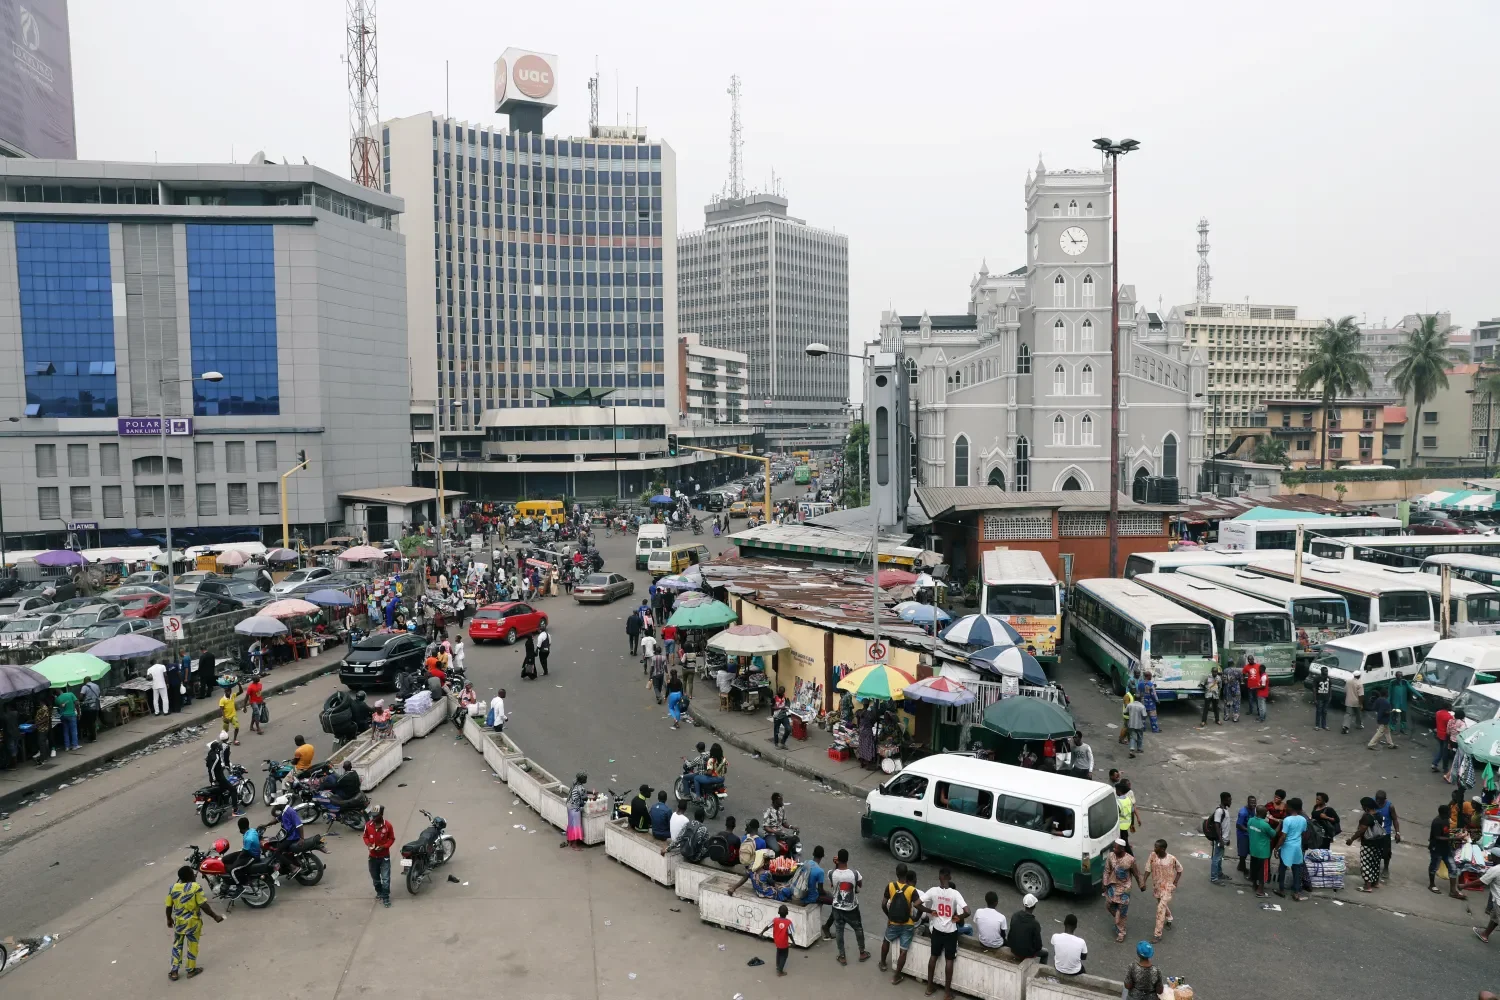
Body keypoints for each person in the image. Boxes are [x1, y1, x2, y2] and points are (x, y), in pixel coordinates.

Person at [165, 864, 223, 981]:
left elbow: (168, 906)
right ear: (190, 876)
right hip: (193, 923)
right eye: (193, 874)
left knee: (177, 945)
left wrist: (169, 919)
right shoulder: (195, 887)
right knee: (193, 945)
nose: (195, 875)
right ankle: (191, 970)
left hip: (179, 922)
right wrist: (215, 916)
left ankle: (174, 971)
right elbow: (203, 905)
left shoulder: (173, 888)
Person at [922, 866, 967, 996]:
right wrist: (957, 918)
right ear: (950, 877)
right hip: (950, 931)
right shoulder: (955, 894)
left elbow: (917, 903)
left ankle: (929, 987)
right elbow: (968, 911)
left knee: (933, 957)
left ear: (939, 878)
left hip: (937, 929)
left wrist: (930, 911)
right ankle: (947, 993)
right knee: (949, 960)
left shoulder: (933, 891)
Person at [880, 863, 925, 984]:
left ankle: (883, 963)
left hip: (893, 922)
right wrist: (915, 918)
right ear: (906, 874)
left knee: (886, 941)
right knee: (903, 950)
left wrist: (889, 916)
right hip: (907, 924)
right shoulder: (912, 890)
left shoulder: (890, 886)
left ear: (896, 873)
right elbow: (920, 907)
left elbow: (883, 904)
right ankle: (896, 977)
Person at [828, 848, 869, 966]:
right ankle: (862, 952)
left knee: (839, 930)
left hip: (836, 907)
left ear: (838, 860)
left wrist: (835, 866)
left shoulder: (832, 873)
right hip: (852, 908)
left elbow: (832, 882)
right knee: (858, 928)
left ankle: (842, 956)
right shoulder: (854, 873)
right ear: (847, 859)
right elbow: (860, 884)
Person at [1140, 839, 1183, 941]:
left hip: (1167, 888)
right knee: (1161, 903)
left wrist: (1175, 882)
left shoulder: (1171, 859)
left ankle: (1157, 935)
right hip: (1157, 886)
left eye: (1156, 847)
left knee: (1160, 908)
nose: (1154, 848)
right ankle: (1169, 917)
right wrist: (1144, 881)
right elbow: (1148, 869)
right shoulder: (1152, 856)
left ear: (1163, 849)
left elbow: (1180, 870)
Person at [1103, 839, 1139, 943]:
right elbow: (1107, 870)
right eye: (1113, 847)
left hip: (1124, 889)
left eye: (1116, 847)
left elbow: (1136, 873)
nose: (1113, 849)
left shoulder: (1130, 860)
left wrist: (1141, 884)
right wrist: (1104, 884)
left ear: (1122, 849)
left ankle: (1121, 933)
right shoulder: (1111, 856)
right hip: (1112, 887)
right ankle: (1119, 921)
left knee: (1122, 912)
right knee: (1109, 905)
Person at [1274, 797, 1309, 900]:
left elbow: (1283, 836)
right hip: (1297, 847)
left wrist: (1276, 848)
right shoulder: (1303, 819)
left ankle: (1281, 890)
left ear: (1291, 808)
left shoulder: (1287, 820)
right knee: (1296, 870)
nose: (1286, 808)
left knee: (1283, 868)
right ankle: (1296, 892)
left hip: (1287, 847)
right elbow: (1303, 833)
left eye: (1287, 806)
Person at [1347, 796, 1385, 892]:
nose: (1362, 808)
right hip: (1379, 843)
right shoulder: (1379, 815)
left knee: (1366, 864)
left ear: (1366, 806)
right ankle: (1375, 883)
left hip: (1368, 844)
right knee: (1375, 863)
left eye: (1363, 806)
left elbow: (1361, 830)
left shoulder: (1367, 816)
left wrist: (1351, 839)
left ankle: (1367, 886)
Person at [1429, 803, 1467, 899]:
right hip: (1437, 848)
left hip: (1446, 848)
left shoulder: (1446, 820)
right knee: (1434, 867)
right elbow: (1437, 837)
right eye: (1449, 812)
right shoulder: (1437, 822)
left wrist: (1457, 834)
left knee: (1453, 868)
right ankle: (1432, 884)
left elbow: (1446, 833)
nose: (1451, 813)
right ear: (1443, 813)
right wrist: (1454, 838)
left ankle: (1453, 891)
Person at [363, 803, 395, 907]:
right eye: (372, 816)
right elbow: (365, 836)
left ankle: (386, 897)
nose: (373, 818)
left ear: (381, 814)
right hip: (372, 857)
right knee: (375, 878)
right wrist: (368, 844)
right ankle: (379, 892)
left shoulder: (388, 826)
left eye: (376, 816)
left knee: (385, 878)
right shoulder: (368, 825)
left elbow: (391, 839)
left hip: (384, 857)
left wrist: (385, 846)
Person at [1372, 789, 1401, 881]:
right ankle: (1374, 867)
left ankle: (1385, 868)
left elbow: (1395, 819)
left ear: (1385, 799)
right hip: (1374, 832)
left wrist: (1397, 833)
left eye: (1379, 800)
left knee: (1386, 852)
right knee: (1373, 850)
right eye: (1376, 799)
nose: (1377, 802)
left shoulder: (1390, 806)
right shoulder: (1372, 803)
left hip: (1385, 833)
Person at [1248, 805, 1275, 897]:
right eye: (1266, 813)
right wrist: (1279, 824)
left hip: (1253, 850)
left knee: (1254, 869)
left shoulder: (1250, 821)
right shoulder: (1265, 825)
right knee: (1263, 872)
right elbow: (1273, 834)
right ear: (1262, 813)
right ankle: (1260, 891)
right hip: (1263, 853)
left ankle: (1254, 885)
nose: (1267, 814)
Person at [1007, 892, 1044, 960]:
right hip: (1027, 954)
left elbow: (1011, 933)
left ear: (1024, 904)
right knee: (1045, 953)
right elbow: (1038, 946)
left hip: (1013, 948)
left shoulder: (1015, 915)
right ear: (1034, 906)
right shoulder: (1035, 924)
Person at [1208, 791, 1233, 885]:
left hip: (1223, 839)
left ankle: (1219, 873)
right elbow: (1217, 825)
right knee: (1216, 858)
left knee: (1219, 857)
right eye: (1229, 800)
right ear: (1225, 800)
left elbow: (1225, 826)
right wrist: (1221, 839)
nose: (1231, 802)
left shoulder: (1225, 810)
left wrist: (1227, 839)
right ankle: (1214, 878)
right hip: (1220, 839)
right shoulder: (1219, 811)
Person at [1475, 849, 1500, 943]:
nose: (1489, 856)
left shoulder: (1496, 869)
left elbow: (1481, 882)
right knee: (1495, 917)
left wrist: (1464, 885)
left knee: (1496, 916)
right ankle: (1485, 934)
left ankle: (1485, 934)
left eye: (1491, 855)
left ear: (1496, 857)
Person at [764, 903, 793, 977]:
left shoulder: (775, 920)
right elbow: (790, 933)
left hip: (777, 941)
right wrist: (793, 942)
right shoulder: (788, 922)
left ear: (778, 912)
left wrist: (761, 932)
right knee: (784, 955)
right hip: (784, 942)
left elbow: (767, 926)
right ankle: (780, 971)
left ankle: (777, 966)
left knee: (779, 951)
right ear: (787, 913)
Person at [564, 772, 591, 850]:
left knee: (571, 825)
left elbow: (584, 791)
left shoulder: (575, 784)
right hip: (575, 809)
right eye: (585, 778)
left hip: (570, 806)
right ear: (582, 779)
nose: (586, 779)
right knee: (576, 826)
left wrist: (591, 792)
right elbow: (584, 797)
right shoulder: (580, 788)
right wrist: (592, 796)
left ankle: (570, 841)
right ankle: (574, 845)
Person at [54, 685, 79, 752]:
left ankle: (67, 747)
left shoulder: (57, 699)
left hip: (63, 716)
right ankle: (74, 745)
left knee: (66, 731)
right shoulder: (71, 694)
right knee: (73, 730)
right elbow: (77, 703)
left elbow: (58, 708)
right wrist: (78, 712)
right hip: (71, 715)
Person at [1434, 704, 1457, 773]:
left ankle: (1435, 763)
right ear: (1447, 707)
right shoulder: (1449, 716)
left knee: (1441, 750)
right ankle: (1445, 768)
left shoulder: (1438, 713)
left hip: (1439, 734)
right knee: (1445, 752)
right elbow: (1450, 727)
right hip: (1445, 736)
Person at [1116, 780, 1138, 850]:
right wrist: (1132, 824)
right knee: (1124, 840)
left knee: (1124, 844)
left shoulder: (1118, 801)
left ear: (1119, 791)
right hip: (1126, 824)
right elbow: (1132, 812)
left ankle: (1131, 857)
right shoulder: (1128, 799)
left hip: (1120, 825)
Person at [1342, 669, 1366, 733]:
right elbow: (1361, 695)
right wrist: (1361, 704)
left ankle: (1345, 727)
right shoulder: (1360, 684)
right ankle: (1359, 725)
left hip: (1349, 700)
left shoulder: (1348, 681)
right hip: (1356, 701)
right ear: (1359, 676)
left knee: (1348, 714)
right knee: (1358, 714)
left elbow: (1345, 691)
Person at [79, 677, 101, 744]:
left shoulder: (84, 687)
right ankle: (94, 736)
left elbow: (81, 696)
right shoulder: (96, 686)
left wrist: (81, 700)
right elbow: (99, 694)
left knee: (89, 722)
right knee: (93, 721)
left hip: (88, 707)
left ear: (85, 681)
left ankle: (92, 738)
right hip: (96, 706)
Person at [1389, 670, 1412, 734]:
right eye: (1399, 676)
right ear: (1396, 676)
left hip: (1403, 703)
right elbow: (1389, 693)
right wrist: (1388, 702)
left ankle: (1402, 728)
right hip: (1395, 703)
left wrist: (1420, 696)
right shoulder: (1392, 682)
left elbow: (1411, 688)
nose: (1400, 677)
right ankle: (1392, 728)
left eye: (1401, 676)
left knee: (1403, 717)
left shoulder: (1405, 682)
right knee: (1394, 716)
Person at [1313, 666, 1332, 730]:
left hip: (1326, 697)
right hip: (1319, 697)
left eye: (1327, 671)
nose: (1327, 672)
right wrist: (1315, 699)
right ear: (1322, 671)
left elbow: (1330, 688)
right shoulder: (1317, 678)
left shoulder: (1328, 679)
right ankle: (1317, 725)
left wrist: (1330, 696)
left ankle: (1324, 725)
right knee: (1319, 711)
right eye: (1325, 671)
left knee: (1325, 711)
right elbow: (1314, 689)